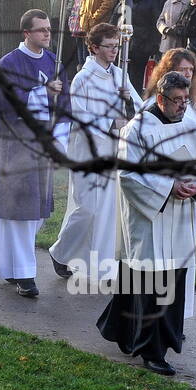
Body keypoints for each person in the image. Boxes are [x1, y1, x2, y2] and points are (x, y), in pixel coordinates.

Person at [98, 70, 196, 376]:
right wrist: (168, 188)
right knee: (149, 284)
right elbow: (127, 175)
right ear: (160, 98)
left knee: (168, 282)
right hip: (150, 218)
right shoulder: (137, 129)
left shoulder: (191, 125)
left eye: (186, 100)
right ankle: (152, 350)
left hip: (180, 216)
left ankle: (123, 329)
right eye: (176, 100)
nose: (182, 106)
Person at [48, 22, 143, 281]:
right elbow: (79, 115)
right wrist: (112, 123)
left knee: (108, 209)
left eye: (116, 46)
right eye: (109, 46)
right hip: (87, 151)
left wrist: (132, 106)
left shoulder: (119, 74)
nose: (114, 50)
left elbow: (139, 105)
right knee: (87, 207)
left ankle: (100, 263)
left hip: (114, 151)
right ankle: (60, 252)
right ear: (93, 47)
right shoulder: (83, 78)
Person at [0, 10, 68, 297]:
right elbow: (5, 102)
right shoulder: (9, 63)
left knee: (35, 213)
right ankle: (24, 275)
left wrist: (59, 138)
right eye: (41, 30)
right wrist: (43, 93)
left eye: (48, 29)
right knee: (21, 208)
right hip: (17, 145)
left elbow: (65, 104)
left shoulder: (53, 62)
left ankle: (4, 259)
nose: (47, 34)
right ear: (26, 33)